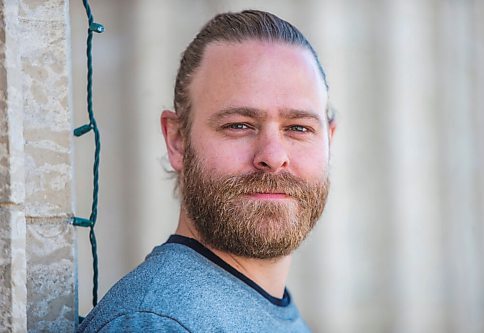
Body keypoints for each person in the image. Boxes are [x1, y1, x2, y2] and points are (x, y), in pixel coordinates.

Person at [78, 9, 335, 332]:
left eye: (298, 128)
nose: (272, 156)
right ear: (177, 141)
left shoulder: (272, 309)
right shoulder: (154, 324)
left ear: (329, 139)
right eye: (239, 125)